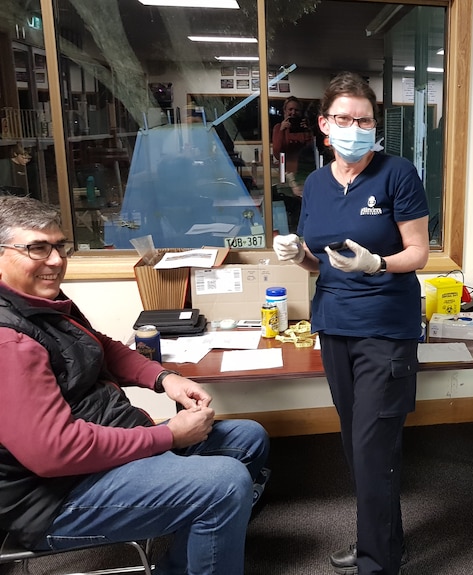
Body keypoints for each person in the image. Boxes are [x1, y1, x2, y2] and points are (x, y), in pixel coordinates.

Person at [0, 195, 270, 574]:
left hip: (106, 445)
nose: (56, 260)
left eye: (60, 246)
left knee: (247, 437)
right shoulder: (9, 341)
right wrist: (169, 436)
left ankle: (180, 564)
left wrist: (164, 378)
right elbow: (54, 453)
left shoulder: (42, 300)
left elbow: (101, 347)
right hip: (55, 497)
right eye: (37, 248)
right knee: (224, 483)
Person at [273, 71, 429, 575]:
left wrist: (378, 264)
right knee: (358, 444)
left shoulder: (397, 173)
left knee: (371, 447)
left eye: (363, 119)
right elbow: (321, 263)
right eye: (343, 118)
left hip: (385, 326)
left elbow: (419, 254)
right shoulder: (316, 183)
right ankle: (381, 543)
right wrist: (297, 255)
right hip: (334, 322)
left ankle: (376, 562)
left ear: (375, 125)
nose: (353, 127)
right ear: (324, 124)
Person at [272, 96, 314, 175]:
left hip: (305, 170)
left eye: (296, 110)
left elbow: (311, 152)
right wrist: (282, 131)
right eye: (290, 109)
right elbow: (277, 154)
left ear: (301, 112)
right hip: (286, 172)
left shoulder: (306, 128)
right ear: (285, 111)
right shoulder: (278, 128)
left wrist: (308, 131)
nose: (293, 113)